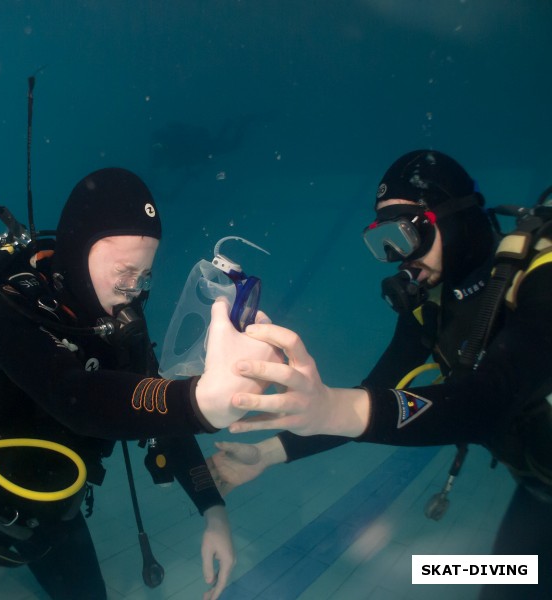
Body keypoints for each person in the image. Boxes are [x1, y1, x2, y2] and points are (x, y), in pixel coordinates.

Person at [0, 167, 280, 600]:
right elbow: (74, 397)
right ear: (78, 251)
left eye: (145, 276)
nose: (134, 291)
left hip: (56, 507)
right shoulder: (2, 306)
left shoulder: (119, 321)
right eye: (124, 274)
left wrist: (213, 510)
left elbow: (157, 409)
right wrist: (199, 402)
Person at [209, 150, 552, 599]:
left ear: (456, 217)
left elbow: (488, 402)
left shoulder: (539, 281)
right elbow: (373, 395)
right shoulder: (431, 306)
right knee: (501, 584)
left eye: (409, 233)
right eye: (384, 242)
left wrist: (332, 408)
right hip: (539, 492)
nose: (398, 257)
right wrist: (267, 455)